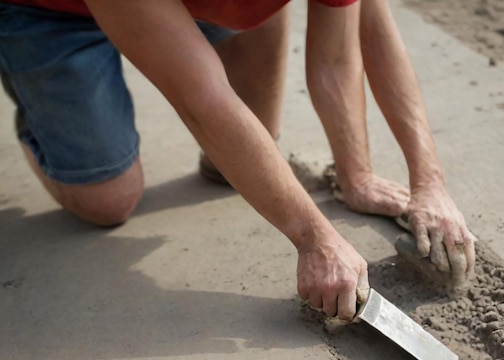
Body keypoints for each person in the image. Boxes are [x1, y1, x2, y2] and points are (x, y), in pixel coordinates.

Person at [0, 0, 475, 321]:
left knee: (247, 147)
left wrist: (405, 180)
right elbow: (200, 96)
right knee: (107, 199)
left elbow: (349, 45)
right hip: (50, 16)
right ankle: (42, 123)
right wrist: (315, 238)